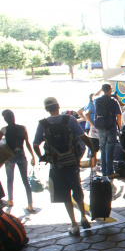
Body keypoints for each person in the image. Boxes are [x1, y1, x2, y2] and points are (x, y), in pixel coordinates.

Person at [33, 97, 97, 235]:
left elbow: (35, 144)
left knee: (65, 194)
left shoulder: (43, 124)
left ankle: (74, 225)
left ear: (46, 109)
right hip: (72, 162)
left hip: (57, 165)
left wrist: (43, 157)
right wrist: (92, 150)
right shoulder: (69, 119)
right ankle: (84, 218)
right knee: (77, 188)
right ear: (58, 106)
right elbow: (83, 136)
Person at [0, 110, 36, 212]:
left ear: (5, 119)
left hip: (10, 156)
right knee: (25, 180)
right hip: (21, 155)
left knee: (9, 179)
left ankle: (10, 200)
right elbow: (27, 143)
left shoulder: (4, 129)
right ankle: (30, 204)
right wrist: (32, 156)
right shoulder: (22, 128)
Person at [93, 84, 122, 178]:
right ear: (110, 90)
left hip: (100, 127)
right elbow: (118, 116)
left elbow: (94, 95)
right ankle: (110, 172)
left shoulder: (96, 100)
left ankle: (103, 171)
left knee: (102, 148)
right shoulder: (113, 101)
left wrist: (101, 89)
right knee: (110, 149)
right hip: (111, 127)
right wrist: (120, 128)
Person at [79, 93, 99, 172]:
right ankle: (93, 165)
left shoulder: (88, 104)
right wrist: (92, 124)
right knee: (94, 147)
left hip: (89, 127)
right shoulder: (92, 105)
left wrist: (85, 120)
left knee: (94, 146)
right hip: (92, 128)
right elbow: (87, 114)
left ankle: (94, 163)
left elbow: (79, 112)